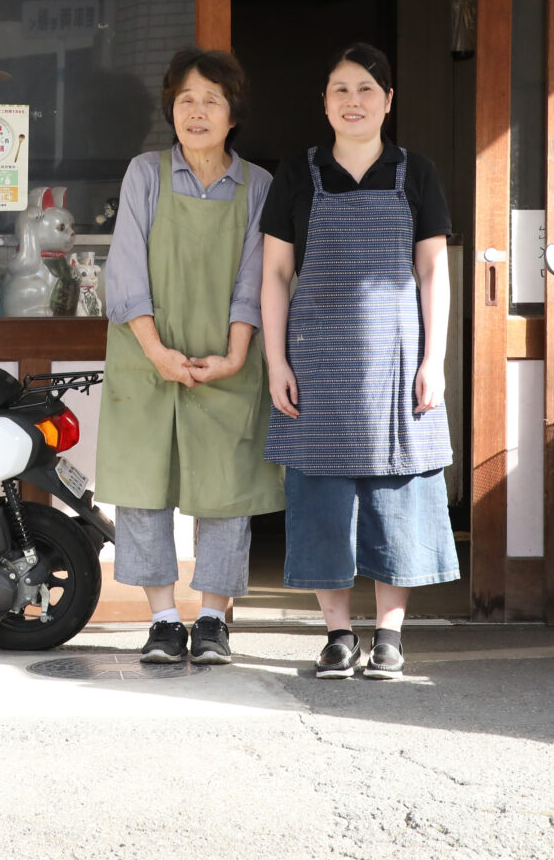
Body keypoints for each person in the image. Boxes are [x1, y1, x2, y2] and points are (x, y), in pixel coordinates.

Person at [260, 42, 457, 681]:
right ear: (324, 101)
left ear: (388, 101)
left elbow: (434, 272)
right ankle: (339, 634)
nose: (353, 101)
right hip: (314, 360)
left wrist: (435, 359)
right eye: (340, 89)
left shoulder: (416, 171)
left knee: (397, 492)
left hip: (398, 361)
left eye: (366, 90)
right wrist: (275, 361)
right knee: (320, 494)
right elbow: (275, 275)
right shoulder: (297, 173)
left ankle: (390, 635)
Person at [96, 48, 283, 667]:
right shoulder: (145, 174)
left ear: (234, 115)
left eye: (212, 100)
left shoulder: (259, 185)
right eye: (185, 100)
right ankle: (162, 621)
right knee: (145, 488)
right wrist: (156, 352)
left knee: (225, 490)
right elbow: (123, 270)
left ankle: (212, 621)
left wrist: (234, 356)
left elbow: (257, 277)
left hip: (227, 362)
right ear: (170, 111)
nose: (197, 112)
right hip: (146, 359)